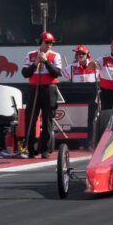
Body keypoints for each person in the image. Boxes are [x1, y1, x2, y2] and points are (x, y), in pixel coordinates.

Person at [21, 31, 63, 159]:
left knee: (47, 119)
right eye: (47, 43)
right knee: (31, 118)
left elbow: (56, 73)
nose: (49, 45)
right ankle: (31, 148)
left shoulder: (56, 56)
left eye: (51, 43)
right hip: (34, 88)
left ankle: (44, 148)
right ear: (41, 42)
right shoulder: (31, 55)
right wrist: (35, 63)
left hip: (49, 89)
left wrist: (46, 62)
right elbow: (25, 73)